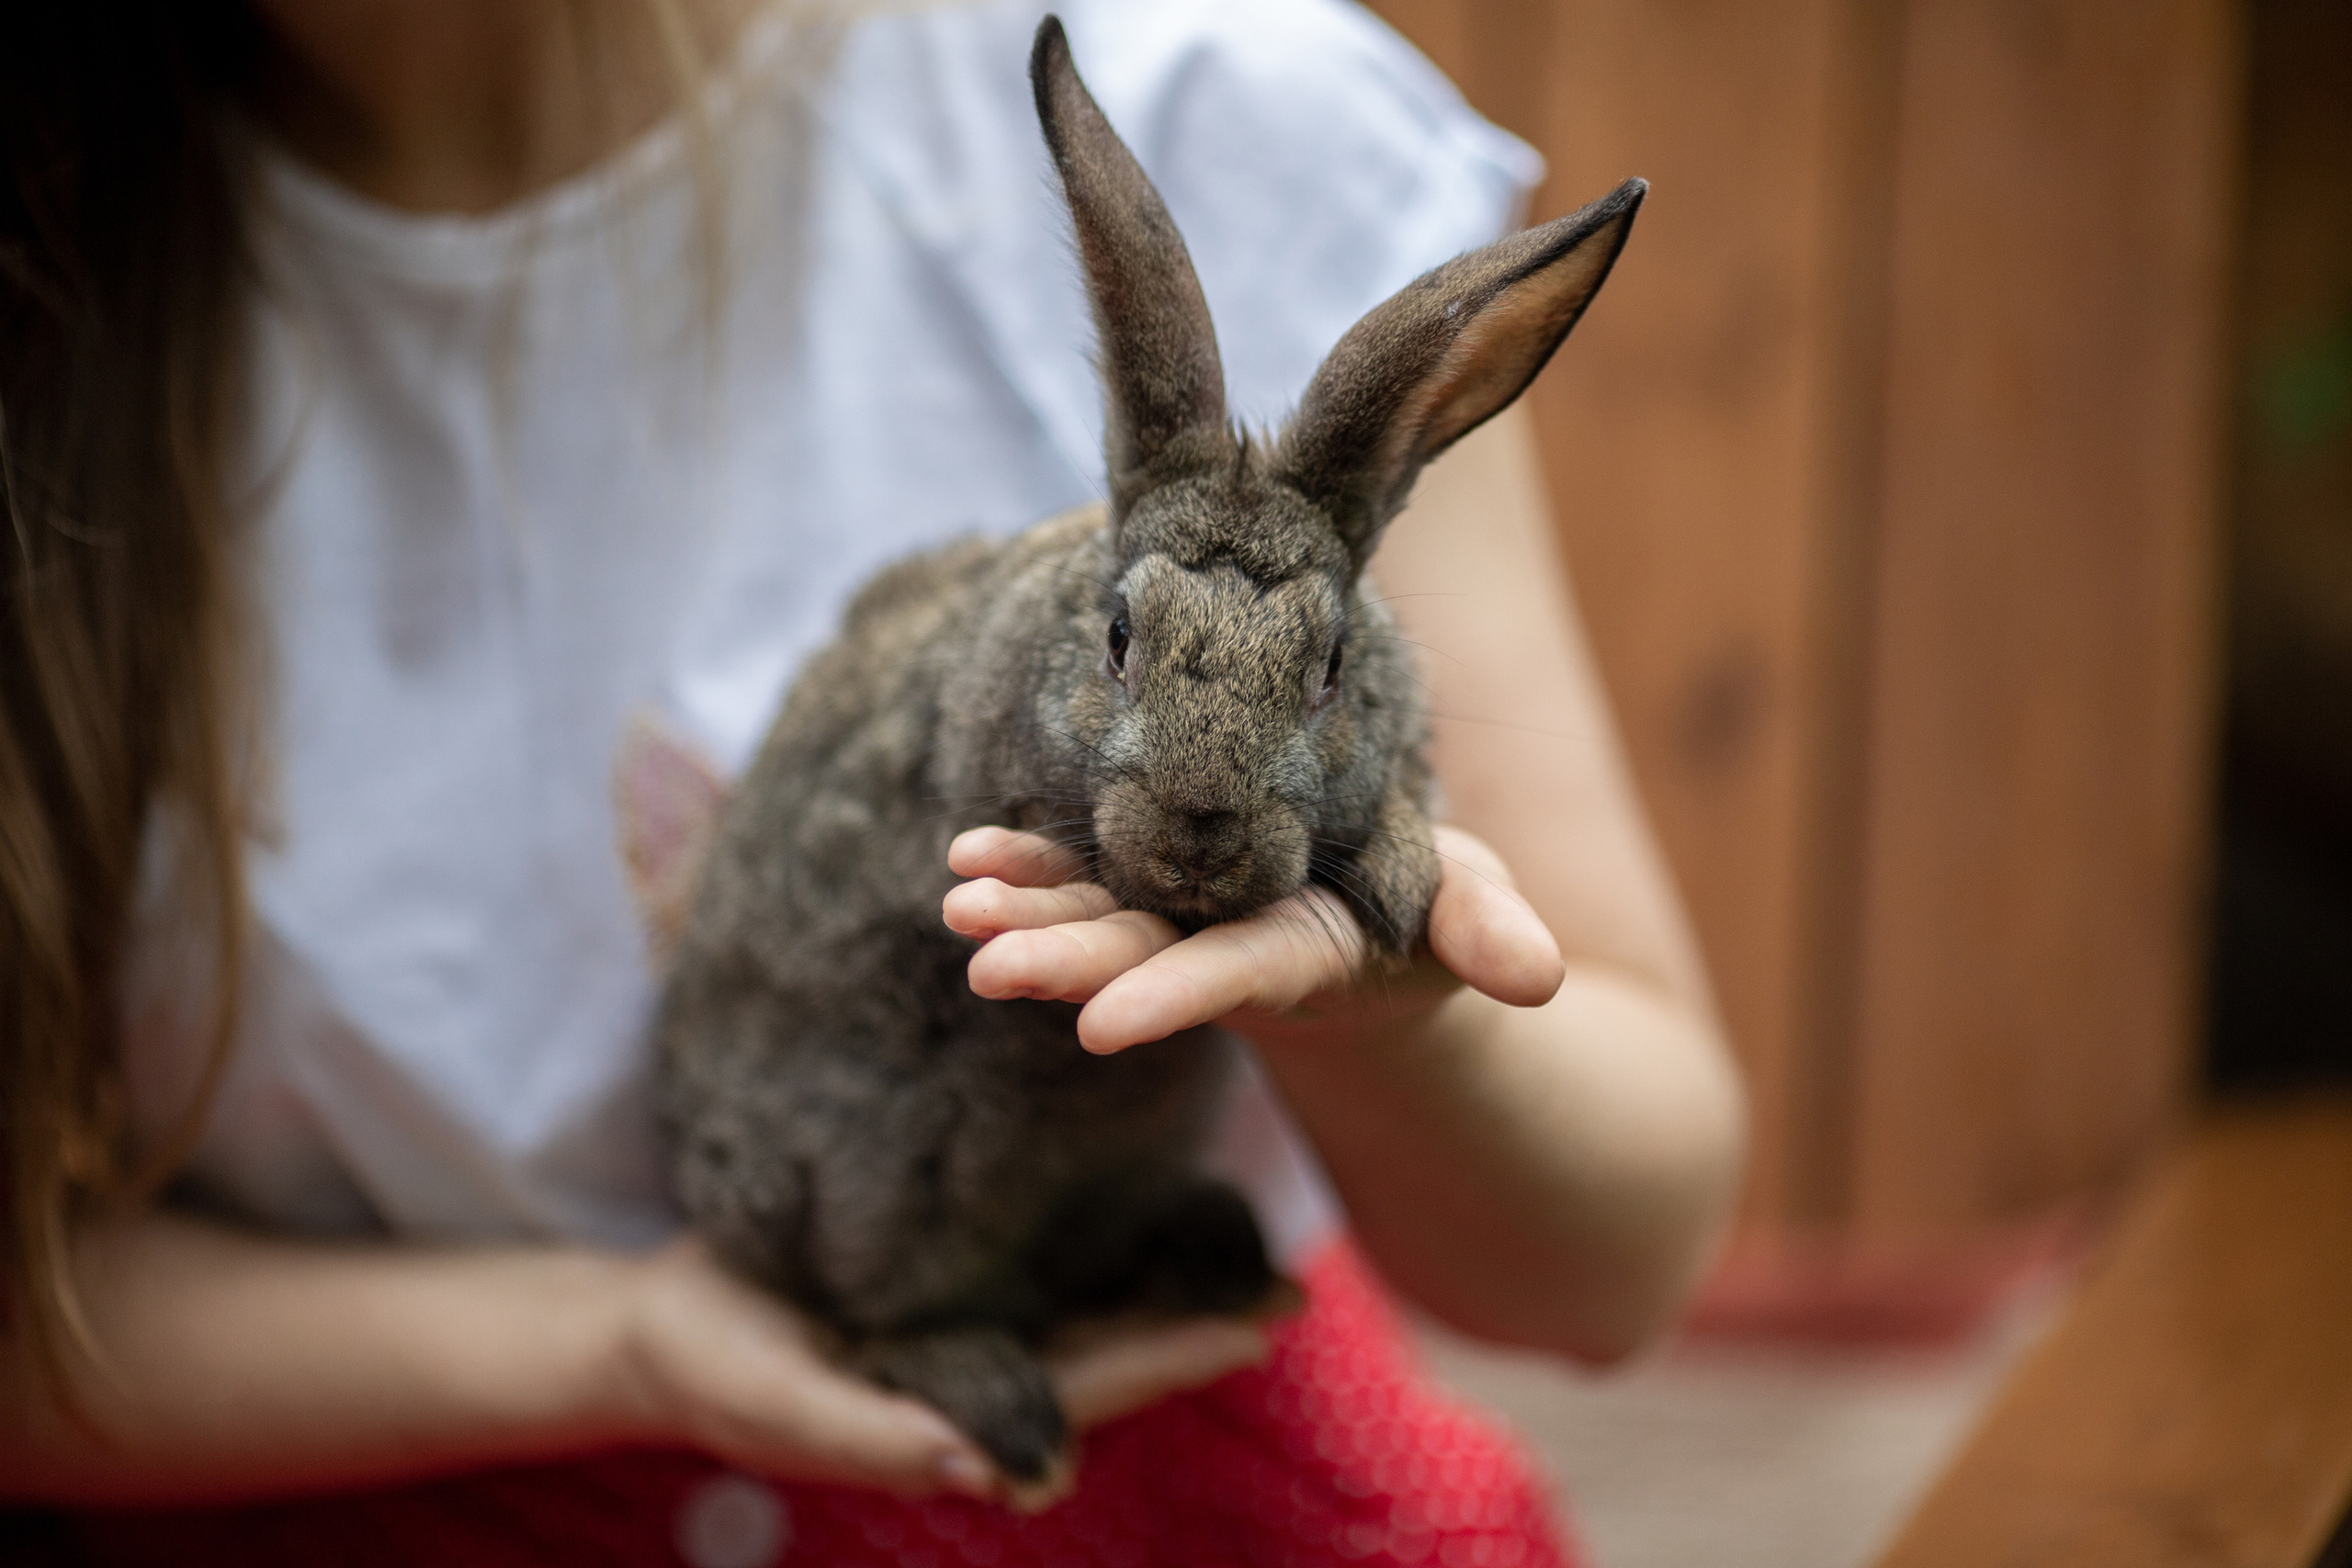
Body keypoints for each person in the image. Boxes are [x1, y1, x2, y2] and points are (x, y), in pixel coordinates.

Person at [0, 1, 1745, 1563]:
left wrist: (1378, 1015)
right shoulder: (59, 263)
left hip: (1156, 1430)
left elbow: (1624, 1255)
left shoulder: (1225, 100)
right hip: (365, 1490)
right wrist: (618, 1347)